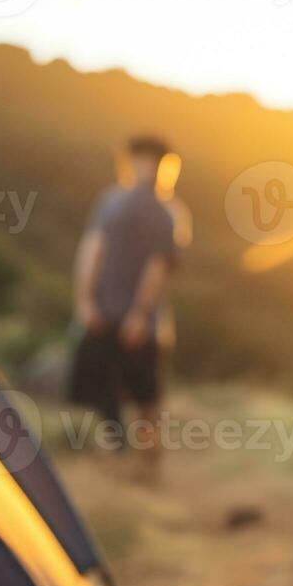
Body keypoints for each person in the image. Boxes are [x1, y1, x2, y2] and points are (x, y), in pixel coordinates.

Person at [68, 134, 187, 475]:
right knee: (97, 391)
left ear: (166, 168)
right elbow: (92, 250)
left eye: (153, 161)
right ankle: (113, 465)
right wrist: (84, 302)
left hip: (143, 324)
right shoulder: (110, 201)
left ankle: (150, 470)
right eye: (140, 158)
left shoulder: (168, 212)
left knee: (147, 401)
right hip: (101, 315)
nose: (145, 166)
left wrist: (140, 314)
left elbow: (158, 265)